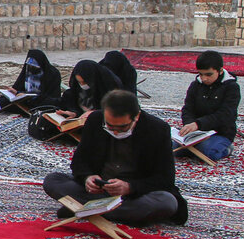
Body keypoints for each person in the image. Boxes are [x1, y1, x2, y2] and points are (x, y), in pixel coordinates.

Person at [42, 90, 188, 225]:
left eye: (122, 128)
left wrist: (129, 188)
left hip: (134, 195)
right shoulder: (95, 120)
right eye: (110, 127)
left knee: (167, 202)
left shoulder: (157, 129)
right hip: (100, 190)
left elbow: (164, 179)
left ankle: (85, 209)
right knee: (53, 180)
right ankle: (112, 212)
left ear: (136, 117)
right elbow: (79, 163)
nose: (116, 132)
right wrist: (88, 178)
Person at [179, 50, 241, 162]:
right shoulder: (195, 85)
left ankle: (226, 149)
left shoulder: (231, 87)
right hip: (196, 133)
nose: (204, 78)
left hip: (220, 133)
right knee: (170, 147)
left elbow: (226, 115)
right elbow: (188, 109)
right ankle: (194, 146)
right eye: (201, 74)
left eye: (209, 74)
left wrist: (198, 124)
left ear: (220, 71)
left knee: (208, 152)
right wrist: (189, 125)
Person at [55, 59, 123, 120]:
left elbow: (116, 109)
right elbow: (74, 104)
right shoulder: (76, 91)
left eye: (85, 82)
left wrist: (95, 113)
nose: (83, 85)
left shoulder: (109, 89)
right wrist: (74, 113)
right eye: (79, 82)